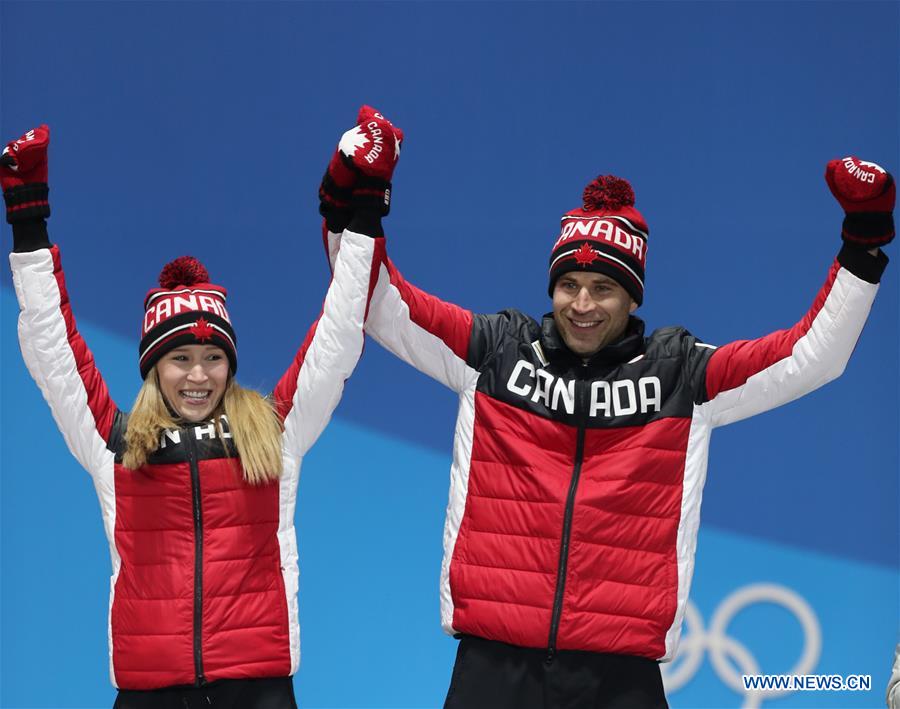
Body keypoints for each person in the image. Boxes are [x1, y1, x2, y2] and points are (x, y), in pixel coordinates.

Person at [319, 109, 894, 709]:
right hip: (494, 667)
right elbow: (374, 302)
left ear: (632, 297)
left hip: (620, 678)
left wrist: (864, 239)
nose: (582, 305)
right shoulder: (496, 352)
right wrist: (353, 201)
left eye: (604, 290)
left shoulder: (680, 375)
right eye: (569, 285)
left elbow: (811, 356)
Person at [1, 124, 395, 708]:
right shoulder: (117, 444)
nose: (198, 375)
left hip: (259, 691)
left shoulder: (272, 432)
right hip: (150, 692)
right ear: (154, 368)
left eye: (214, 358)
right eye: (180, 358)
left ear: (230, 366)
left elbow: (336, 338)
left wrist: (364, 214)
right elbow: (52, 349)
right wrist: (29, 221)